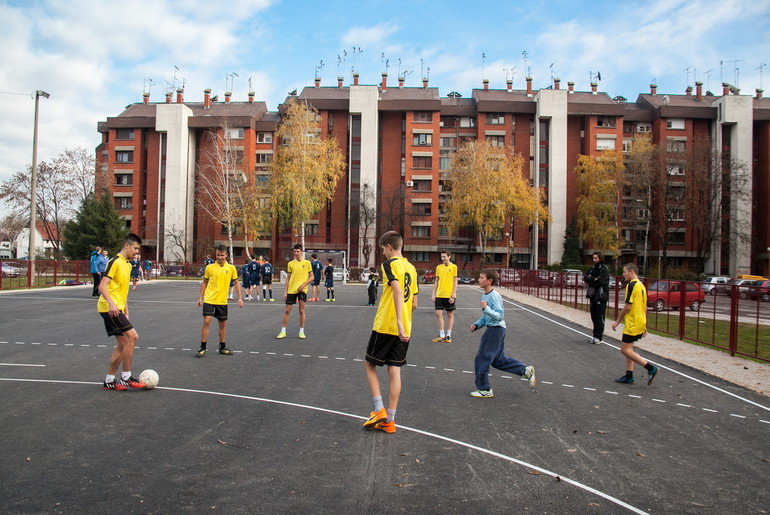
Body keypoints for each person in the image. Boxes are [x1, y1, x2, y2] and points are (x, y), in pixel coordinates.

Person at [362, 231, 419, 435]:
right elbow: (414, 303)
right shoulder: (412, 269)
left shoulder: (389, 265)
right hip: (405, 327)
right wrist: (404, 321)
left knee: (369, 364)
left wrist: (398, 322)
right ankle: (390, 421)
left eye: (382, 250)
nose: (382, 254)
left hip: (387, 325)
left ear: (387, 247)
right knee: (394, 371)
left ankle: (379, 410)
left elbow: (396, 289)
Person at [469, 269, 536, 398]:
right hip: (494, 329)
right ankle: (525, 371)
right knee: (498, 360)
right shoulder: (485, 295)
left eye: (481, 277)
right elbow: (486, 316)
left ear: (489, 281)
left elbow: (499, 316)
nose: (479, 280)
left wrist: (486, 308)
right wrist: (477, 325)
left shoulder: (494, 296)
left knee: (482, 358)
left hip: (495, 330)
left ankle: (484, 389)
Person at [98, 233, 146, 390]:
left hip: (117, 307)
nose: (136, 253)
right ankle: (126, 376)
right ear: (127, 245)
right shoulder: (115, 262)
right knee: (133, 337)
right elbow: (102, 286)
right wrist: (112, 304)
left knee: (123, 343)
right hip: (108, 307)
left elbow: (122, 290)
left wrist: (126, 310)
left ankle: (109, 380)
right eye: (135, 249)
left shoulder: (127, 264)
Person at [611, 263, 659, 385]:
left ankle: (651, 368)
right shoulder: (641, 285)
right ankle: (629, 375)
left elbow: (628, 306)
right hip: (639, 321)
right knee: (629, 348)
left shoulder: (632, 285)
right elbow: (645, 306)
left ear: (632, 271)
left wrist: (617, 321)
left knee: (624, 349)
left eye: (624, 272)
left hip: (633, 322)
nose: (623, 274)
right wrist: (644, 324)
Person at [196, 245, 243, 357]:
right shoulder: (210, 267)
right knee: (207, 321)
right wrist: (200, 298)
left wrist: (240, 298)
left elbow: (236, 282)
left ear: (226, 255)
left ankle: (222, 347)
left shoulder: (231, 268)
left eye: (222, 255)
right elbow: (205, 282)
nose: (220, 257)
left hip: (222, 300)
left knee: (222, 324)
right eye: (218, 255)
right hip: (209, 298)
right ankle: (202, 348)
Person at [277, 244, 313, 339]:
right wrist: (285, 291)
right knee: (287, 310)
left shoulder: (307, 263)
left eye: (297, 251)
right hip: (291, 290)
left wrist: (304, 284)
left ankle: (301, 331)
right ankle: (283, 331)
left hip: (302, 290)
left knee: (301, 311)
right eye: (294, 251)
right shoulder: (290, 264)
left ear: (301, 252)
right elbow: (288, 278)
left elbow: (312, 277)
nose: (296, 253)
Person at [431, 250, 458, 343]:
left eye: (444, 257)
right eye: (441, 257)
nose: (442, 258)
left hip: (449, 295)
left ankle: (448, 335)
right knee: (438, 314)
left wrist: (453, 295)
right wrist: (433, 294)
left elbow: (455, 282)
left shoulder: (454, 267)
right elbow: (436, 281)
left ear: (449, 256)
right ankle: (442, 335)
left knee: (450, 315)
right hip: (439, 294)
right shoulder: (438, 267)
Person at [584, 251, 610, 344]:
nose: (594, 260)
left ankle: (599, 337)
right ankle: (595, 336)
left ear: (600, 258)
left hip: (601, 296)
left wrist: (594, 279)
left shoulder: (604, 269)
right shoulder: (593, 268)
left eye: (596, 258)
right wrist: (592, 279)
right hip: (592, 294)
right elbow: (586, 277)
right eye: (593, 258)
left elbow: (600, 281)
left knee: (599, 316)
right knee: (593, 316)